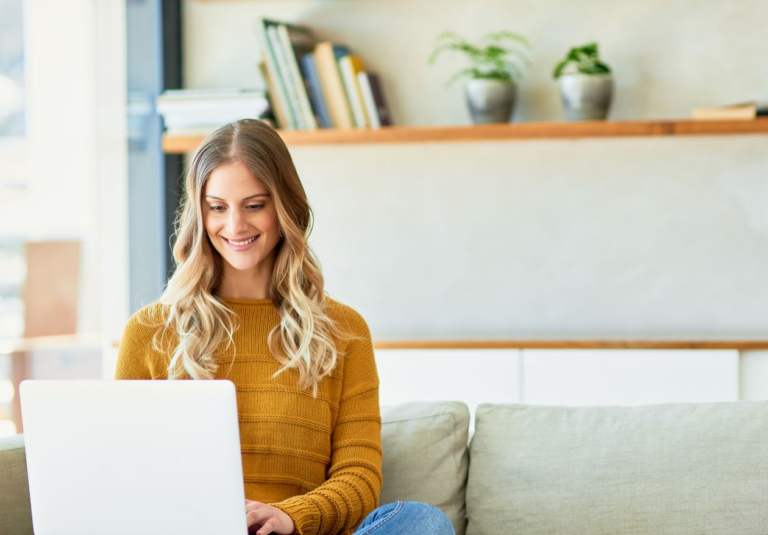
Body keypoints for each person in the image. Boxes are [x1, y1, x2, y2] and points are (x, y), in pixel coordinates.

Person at [114, 119, 455, 535]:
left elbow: (359, 479)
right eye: (217, 207)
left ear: (285, 208)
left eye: (255, 205)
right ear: (198, 214)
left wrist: (290, 516)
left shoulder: (344, 332)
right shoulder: (150, 332)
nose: (235, 226)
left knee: (423, 522)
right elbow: (127, 476)